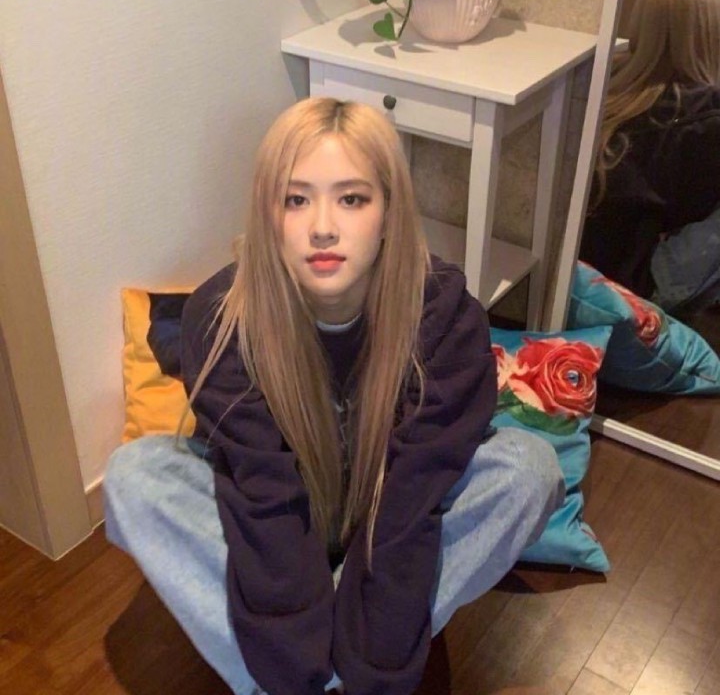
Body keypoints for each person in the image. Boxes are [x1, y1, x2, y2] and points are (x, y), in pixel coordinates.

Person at [103, 97, 564, 695]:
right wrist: (296, 664)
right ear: (268, 214)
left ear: (389, 211)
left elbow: (408, 501)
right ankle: (310, 670)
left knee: (530, 468)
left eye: (351, 199)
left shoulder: (445, 313)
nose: (323, 226)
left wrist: (375, 660)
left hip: (388, 516)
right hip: (277, 524)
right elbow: (265, 499)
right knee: (135, 475)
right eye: (296, 200)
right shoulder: (220, 319)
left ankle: (347, 644)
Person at [580, 0, 720, 313]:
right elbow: (693, 208)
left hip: (585, 270)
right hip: (636, 286)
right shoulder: (704, 116)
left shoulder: (610, 80)